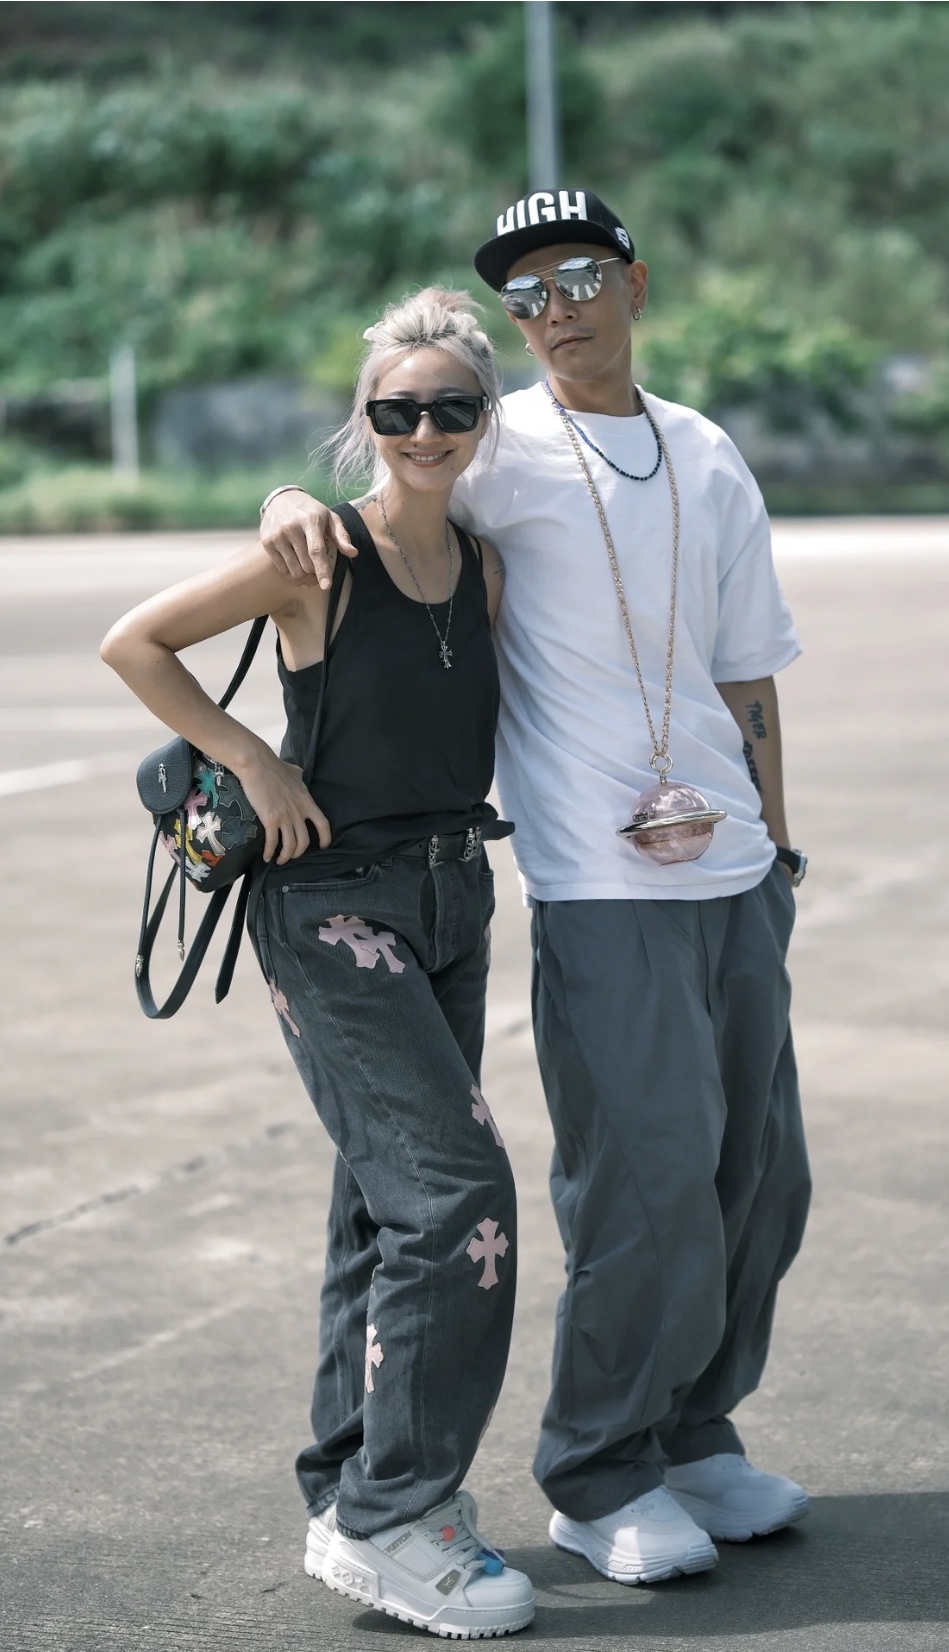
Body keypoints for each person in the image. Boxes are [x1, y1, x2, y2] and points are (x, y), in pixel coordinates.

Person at [259, 189, 812, 1589]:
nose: (553, 309)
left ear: (635, 284)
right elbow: (377, 490)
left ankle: (693, 1430)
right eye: (525, 294)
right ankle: (600, 1469)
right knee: (647, 1183)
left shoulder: (704, 450)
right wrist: (283, 501)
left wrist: (779, 847)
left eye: (577, 278)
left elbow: (746, 670)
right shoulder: (491, 448)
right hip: (600, 879)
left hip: (736, 868)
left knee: (759, 1178)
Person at [100, 288, 536, 1639]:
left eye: (450, 408)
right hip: (330, 906)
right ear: (367, 421)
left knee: (381, 1206)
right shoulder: (318, 555)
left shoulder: (484, 564)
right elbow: (135, 641)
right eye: (396, 411)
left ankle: (353, 1489)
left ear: (483, 418)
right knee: (459, 1201)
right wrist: (249, 756)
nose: (424, 431)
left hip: (452, 899)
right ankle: (399, 1515)